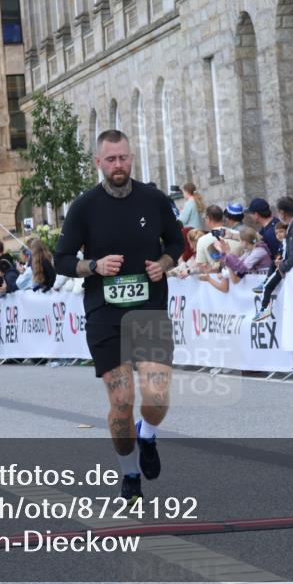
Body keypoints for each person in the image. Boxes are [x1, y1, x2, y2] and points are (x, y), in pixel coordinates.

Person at [54, 129, 184, 504]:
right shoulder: (84, 206)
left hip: (149, 309)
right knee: (122, 400)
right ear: (98, 162)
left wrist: (163, 263)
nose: (118, 166)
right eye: (110, 159)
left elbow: (177, 243)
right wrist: (93, 265)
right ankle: (129, 474)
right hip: (105, 315)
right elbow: (62, 259)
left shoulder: (154, 200)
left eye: (123, 158)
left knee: (156, 396)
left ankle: (147, 435)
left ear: (131, 158)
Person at [253, 196, 293, 322]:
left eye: (278, 212)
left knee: (268, 285)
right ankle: (264, 308)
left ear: (282, 213)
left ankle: (264, 309)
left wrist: (283, 266)